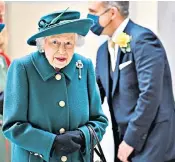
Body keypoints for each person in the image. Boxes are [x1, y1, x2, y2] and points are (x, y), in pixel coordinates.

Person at [2, 9, 108, 162]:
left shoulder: (84, 66)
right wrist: (51, 143)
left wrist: (82, 135)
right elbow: (12, 126)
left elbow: (100, 120)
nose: (62, 50)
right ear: (43, 42)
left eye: (68, 43)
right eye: (55, 42)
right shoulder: (23, 68)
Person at [87, 1, 175, 162]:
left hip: (153, 144)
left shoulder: (143, 40)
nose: (89, 18)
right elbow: (94, 95)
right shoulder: (102, 52)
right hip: (123, 143)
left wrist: (130, 140)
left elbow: (150, 94)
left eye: (93, 12)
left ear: (112, 13)